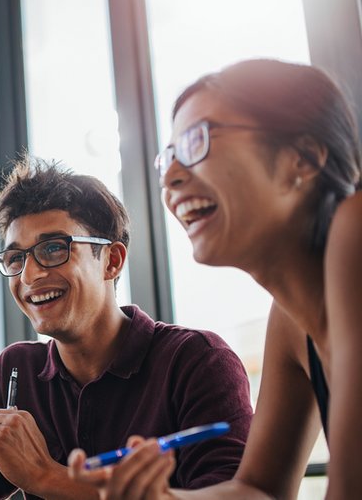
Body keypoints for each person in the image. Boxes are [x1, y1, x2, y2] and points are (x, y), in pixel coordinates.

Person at [67, 59, 362, 499]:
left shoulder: (356, 227)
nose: (170, 178)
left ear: (300, 158)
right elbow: (259, 488)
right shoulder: (290, 319)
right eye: (168, 159)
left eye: (197, 142)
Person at [0, 159, 253, 500]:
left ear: (112, 261)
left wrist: (45, 477)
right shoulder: (16, 371)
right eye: (15, 258)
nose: (29, 275)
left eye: (54, 249)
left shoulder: (198, 361)